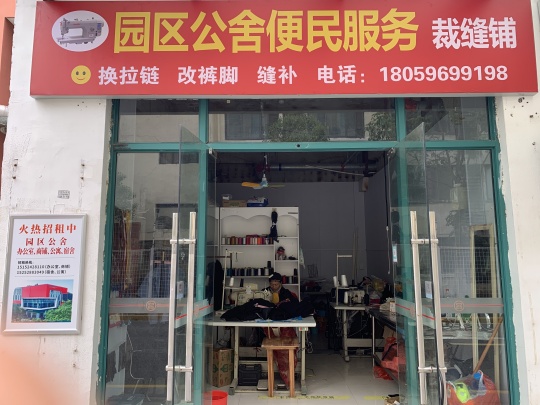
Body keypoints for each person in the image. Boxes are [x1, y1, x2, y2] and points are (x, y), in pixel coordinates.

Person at [262, 273, 298, 389]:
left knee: (285, 343)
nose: (274, 286)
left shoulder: (287, 293)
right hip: (270, 322)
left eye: (276, 284)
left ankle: (287, 371)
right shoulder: (264, 292)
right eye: (272, 284)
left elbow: (294, 307)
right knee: (269, 336)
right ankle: (277, 364)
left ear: (280, 283)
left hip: (284, 324)